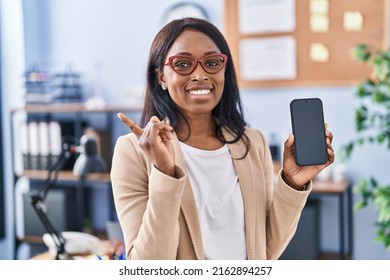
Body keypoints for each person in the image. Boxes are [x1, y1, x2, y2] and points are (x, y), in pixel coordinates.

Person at [110, 17, 334, 260]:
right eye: (183, 64)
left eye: (212, 63)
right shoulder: (132, 152)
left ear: (224, 70)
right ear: (161, 77)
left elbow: (266, 251)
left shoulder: (252, 143)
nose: (199, 75)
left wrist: (292, 182)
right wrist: (164, 173)